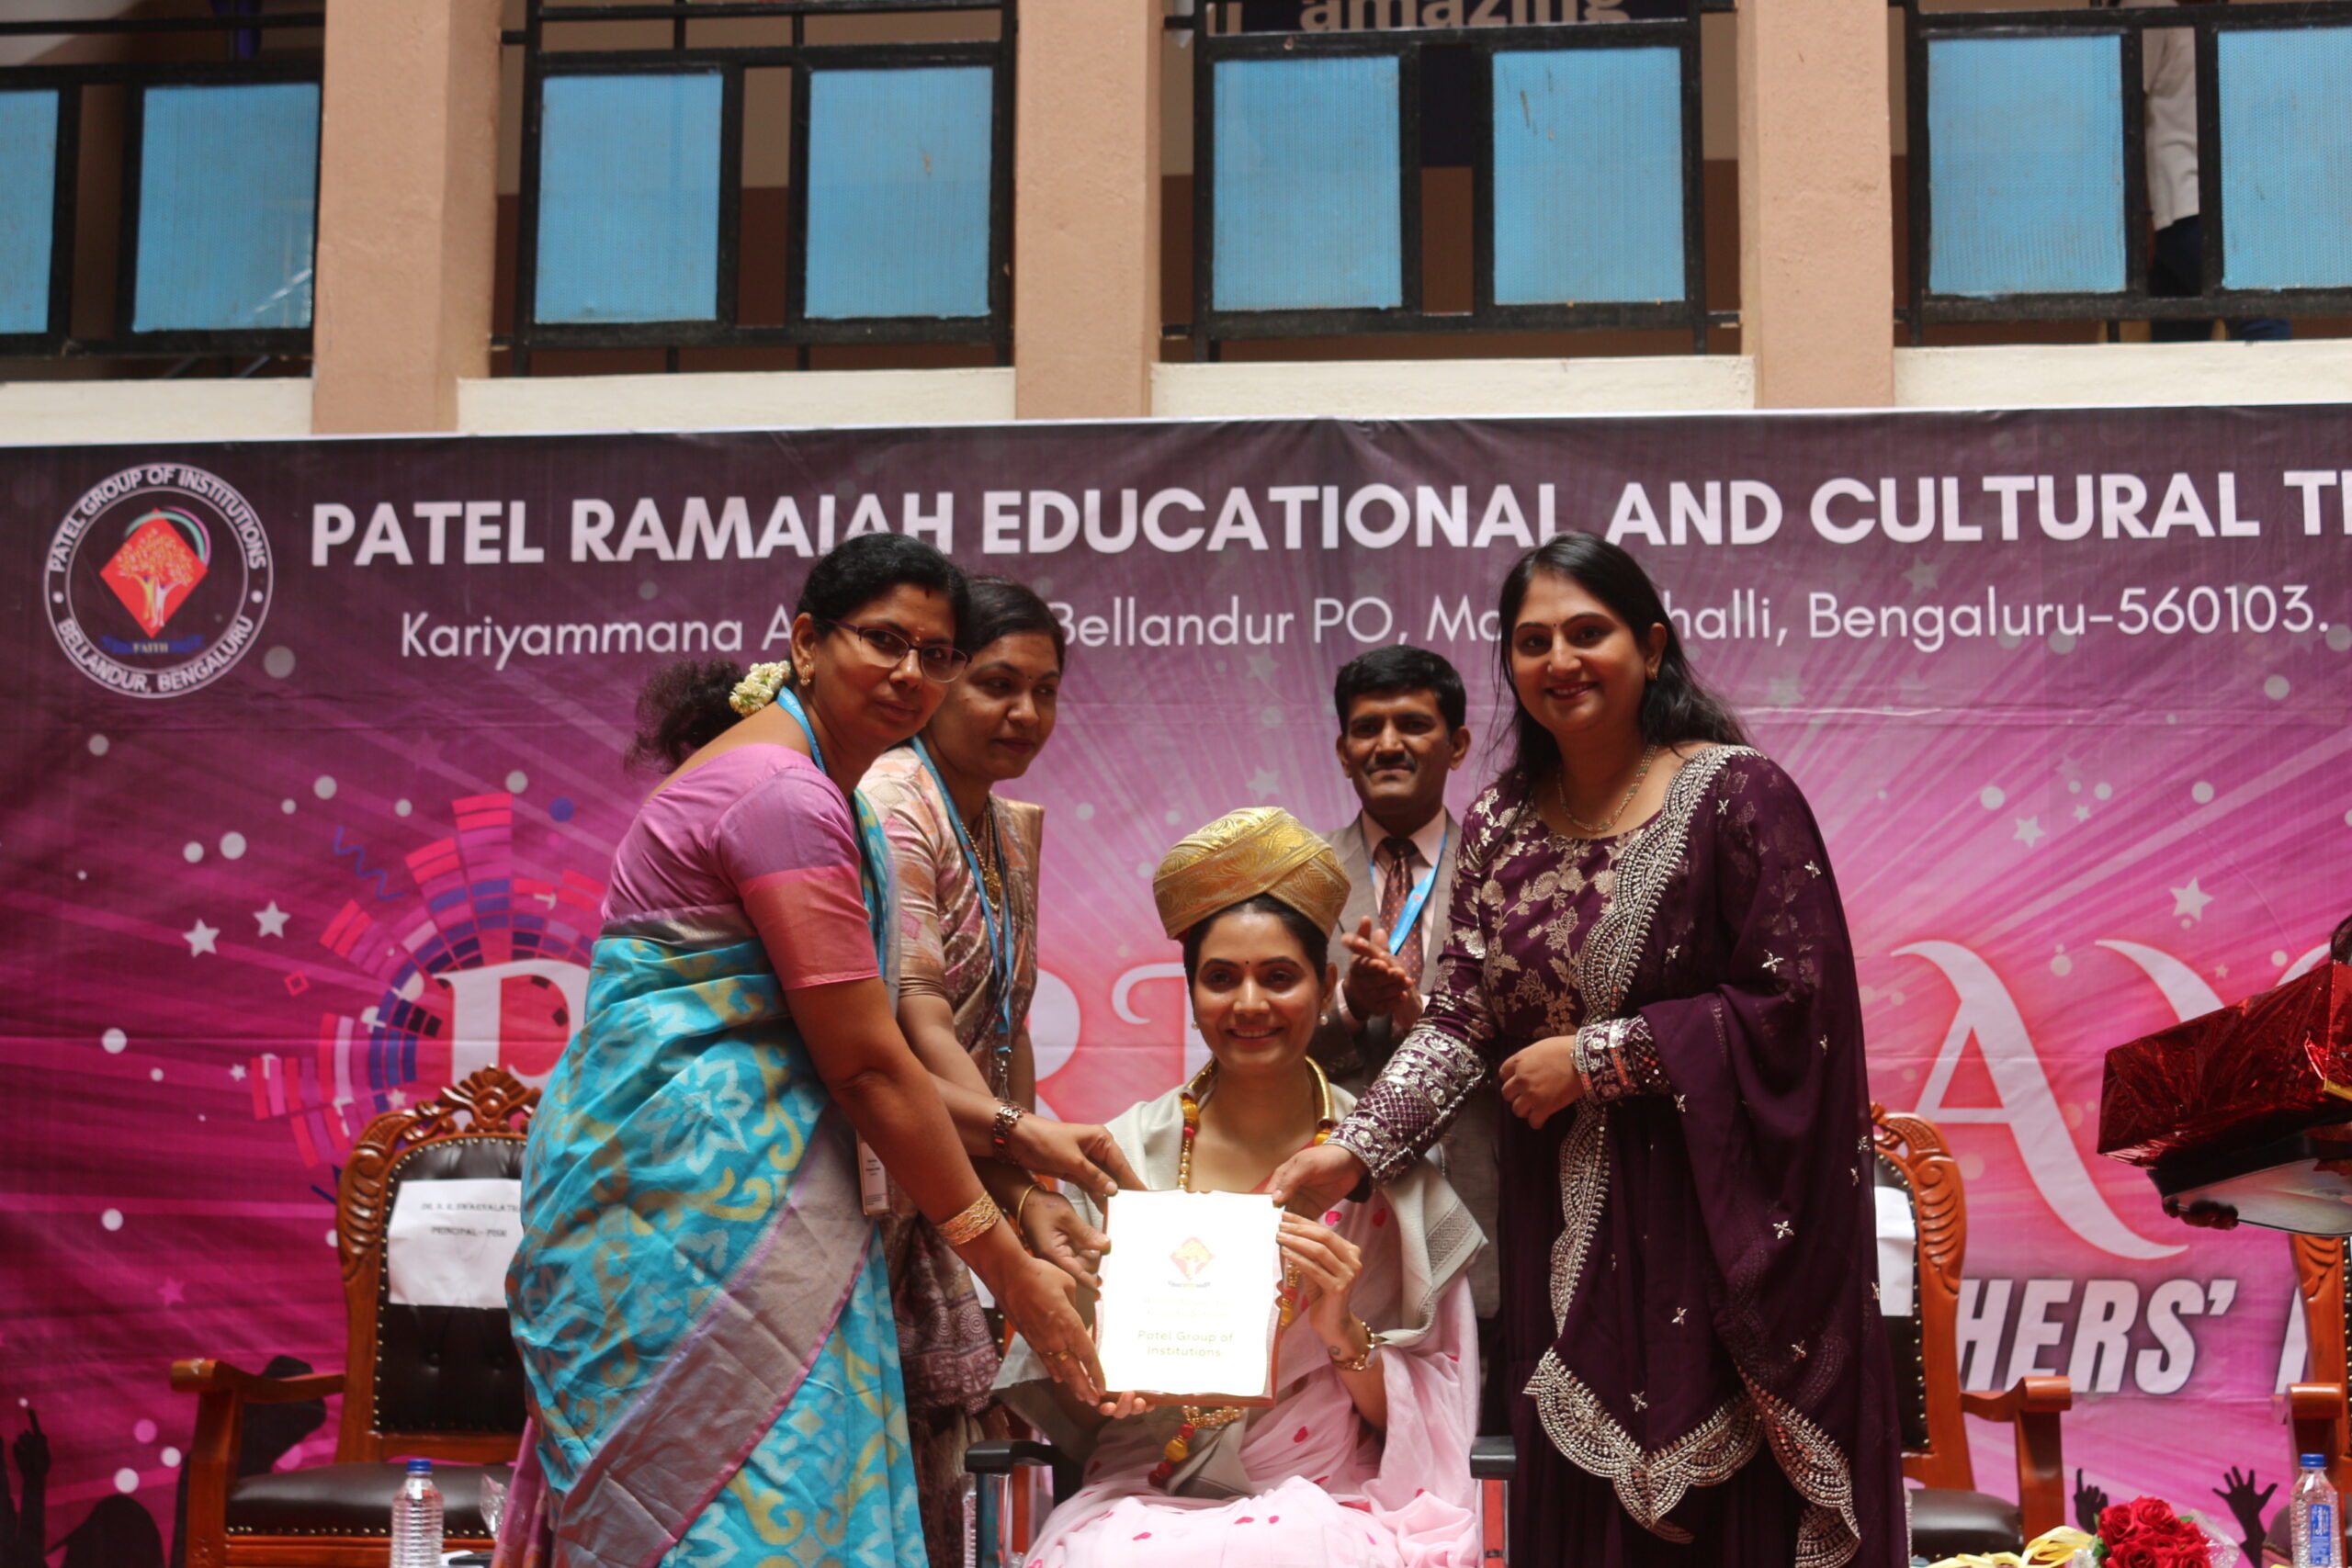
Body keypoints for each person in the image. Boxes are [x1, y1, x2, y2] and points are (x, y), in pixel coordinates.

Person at [1268, 535, 1906, 1568]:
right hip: (1563, 1236)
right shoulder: (1501, 821)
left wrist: (1601, 1057)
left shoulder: (1739, 797)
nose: (1559, 660)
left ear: (1650, 647)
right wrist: (1351, 1150)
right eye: (1532, 642)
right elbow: (1461, 1016)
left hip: (1717, 1229)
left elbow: (1798, 1004)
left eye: (1587, 633)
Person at [506, 534, 1102, 1568]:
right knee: (745, 1524)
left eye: (936, 654)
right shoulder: (783, 794)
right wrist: (1007, 1268)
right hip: (696, 1215)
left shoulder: (813, 787)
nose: (911, 673)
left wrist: (1019, 1150)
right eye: (885, 641)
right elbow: (866, 1064)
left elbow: (868, 1052)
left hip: (718, 1202)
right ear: (807, 641)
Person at [996, 807, 1485, 1568]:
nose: (1249, 1004)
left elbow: (1433, 1416)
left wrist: (1341, 1331)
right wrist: (1099, 1380)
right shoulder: (1119, 1156)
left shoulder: (1379, 1165)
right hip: (1140, 1492)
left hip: (1328, 1493)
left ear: (1326, 985)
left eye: (1279, 977)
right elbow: (1072, 1397)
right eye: (1221, 978)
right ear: (1191, 991)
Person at [858, 576, 1143, 1568]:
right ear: (938, 678)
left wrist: (1028, 1196)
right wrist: (1024, 1156)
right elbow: (917, 1023)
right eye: (996, 683)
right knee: (872, 1472)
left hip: (957, 1169)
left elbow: (1003, 1036)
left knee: (945, 1479)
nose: (1026, 712)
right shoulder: (892, 798)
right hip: (876, 1176)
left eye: (1046, 690)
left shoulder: (1007, 828)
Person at [1307, 646, 1504, 1395]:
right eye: (1367, 728)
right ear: (1342, 749)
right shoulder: (1299, 879)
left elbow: (1537, 1040)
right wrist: (1352, 1005)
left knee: (1487, 1444)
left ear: (1456, 743)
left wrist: (1426, 1018)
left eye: (1413, 724)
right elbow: (1261, 1052)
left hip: (1487, 1212)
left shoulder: (1509, 872)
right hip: (1341, 1225)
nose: (1387, 743)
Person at [2124, 0, 2289, 342]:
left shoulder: (2218, 14)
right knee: (2263, 315)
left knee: (2181, 342)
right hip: (2183, 204)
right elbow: (2124, 104)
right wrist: (2139, 215)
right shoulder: (2149, 6)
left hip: (2214, 204)